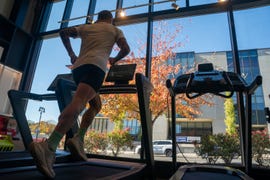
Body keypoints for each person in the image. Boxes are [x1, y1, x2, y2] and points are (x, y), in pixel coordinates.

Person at [29, 10, 130, 178]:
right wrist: (114, 59)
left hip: (79, 68)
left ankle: (78, 138)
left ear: (98, 18)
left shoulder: (86, 28)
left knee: (96, 104)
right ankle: (49, 146)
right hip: (96, 67)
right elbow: (125, 49)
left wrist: (71, 54)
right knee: (79, 102)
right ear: (110, 19)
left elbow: (63, 32)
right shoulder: (114, 30)